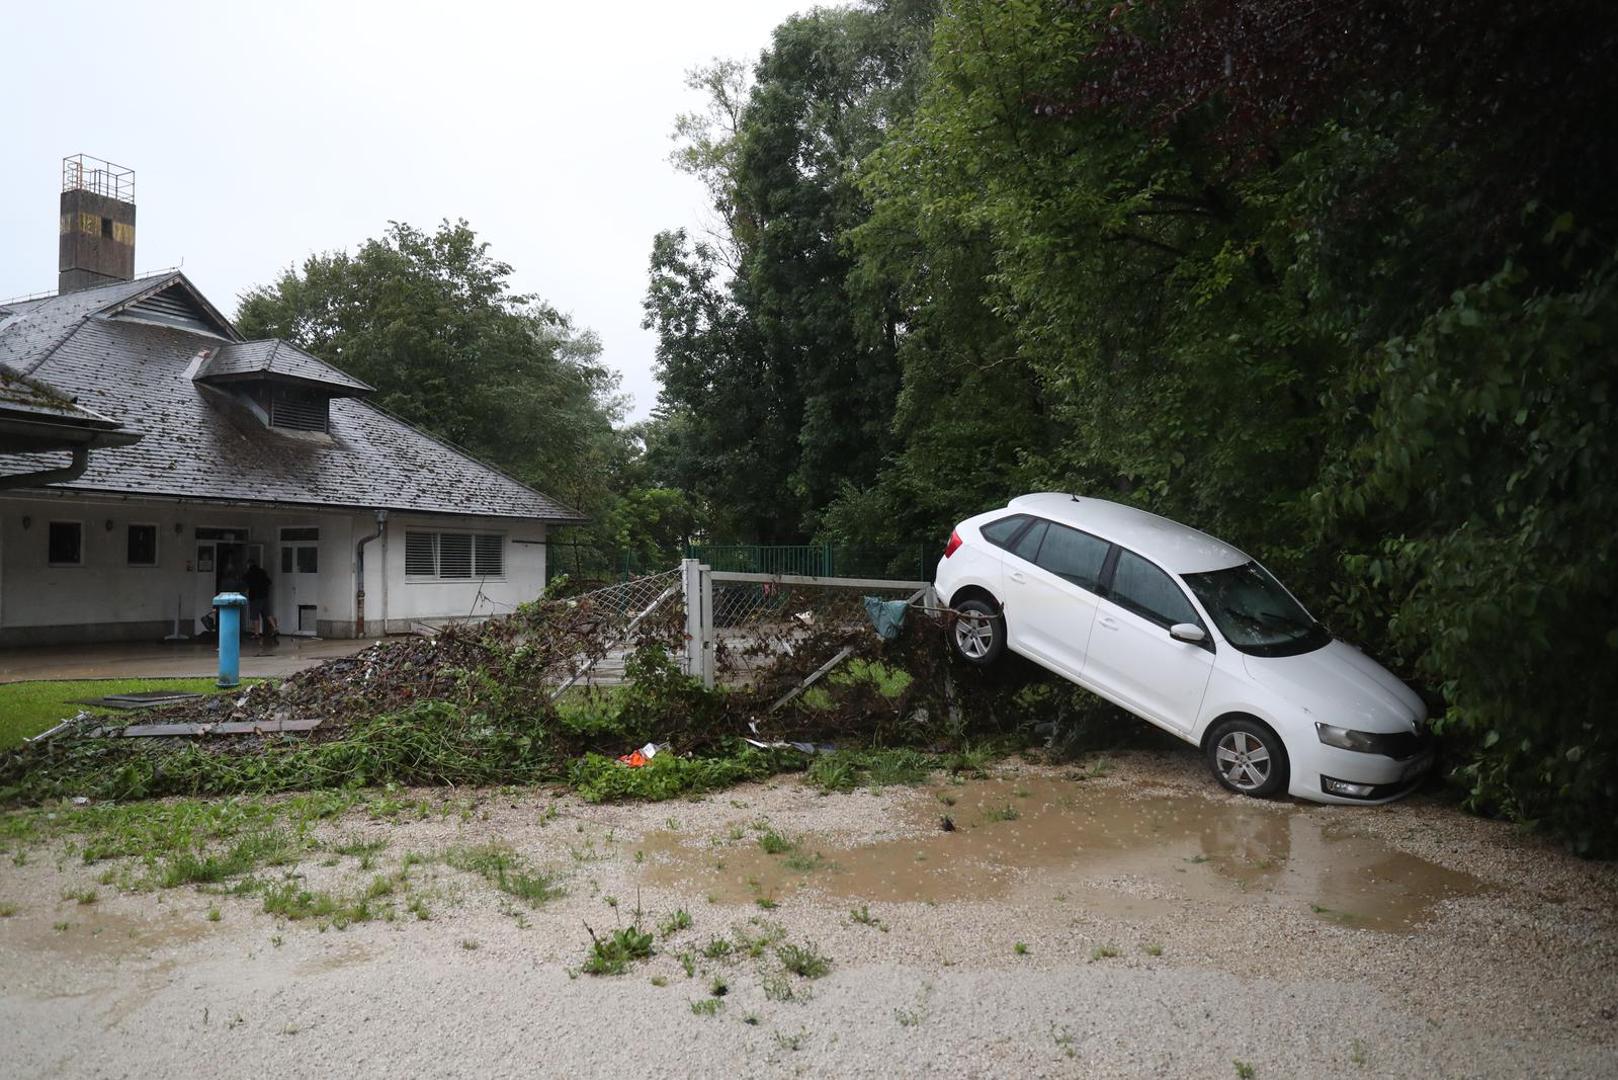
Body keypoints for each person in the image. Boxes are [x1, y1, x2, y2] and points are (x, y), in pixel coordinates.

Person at [243, 560, 280, 642]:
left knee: (255, 615)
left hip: (255, 597)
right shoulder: (262, 572)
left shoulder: (249, 573)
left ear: (249, 565)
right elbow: (269, 582)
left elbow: (244, 583)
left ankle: (256, 634)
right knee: (268, 614)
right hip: (264, 596)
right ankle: (275, 628)